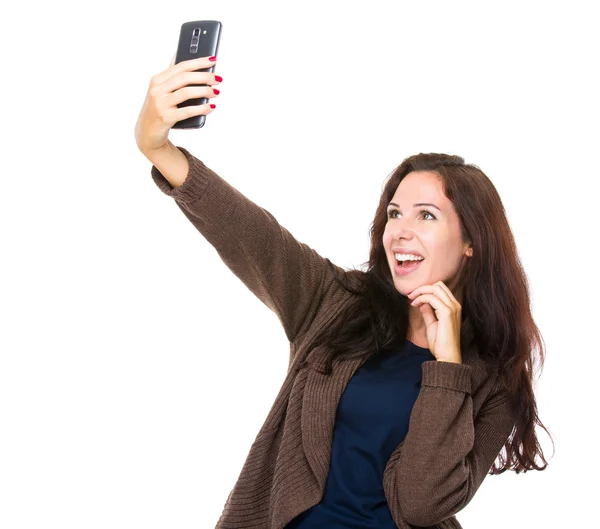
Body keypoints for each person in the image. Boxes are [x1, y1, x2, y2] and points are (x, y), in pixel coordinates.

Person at [135, 55, 553, 529]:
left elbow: (421, 504)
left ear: (473, 242)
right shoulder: (335, 303)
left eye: (426, 216)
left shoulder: (493, 374)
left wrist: (446, 368)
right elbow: (252, 235)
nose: (401, 231)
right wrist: (157, 147)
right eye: (395, 214)